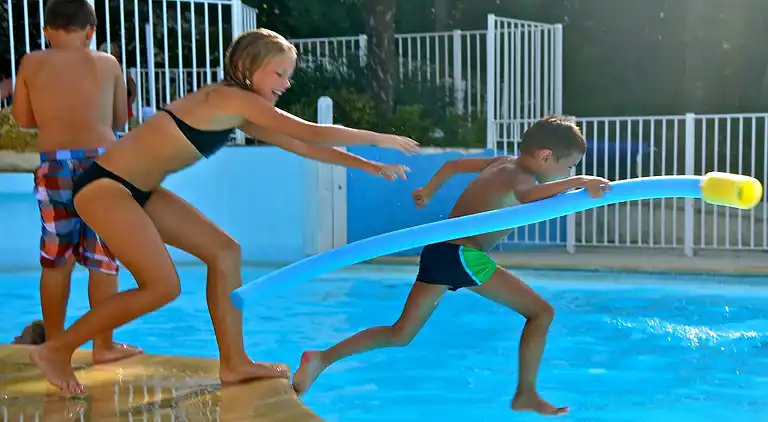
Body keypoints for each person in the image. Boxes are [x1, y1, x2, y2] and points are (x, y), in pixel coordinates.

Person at [29, 27, 420, 395]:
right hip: (106, 188)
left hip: (137, 190)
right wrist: (379, 138)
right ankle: (56, 349)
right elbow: (311, 132)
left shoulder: (241, 108)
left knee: (224, 252)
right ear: (248, 66)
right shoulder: (229, 98)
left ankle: (234, 363)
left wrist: (371, 167)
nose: (286, 84)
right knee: (162, 287)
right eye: (279, 73)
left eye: (288, 76)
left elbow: (302, 146)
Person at [293, 116, 611, 416]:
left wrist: (429, 190)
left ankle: (321, 358)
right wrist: (582, 182)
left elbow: (453, 165)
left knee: (400, 333)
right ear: (545, 156)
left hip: (440, 250)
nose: (566, 174)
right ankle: (525, 393)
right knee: (541, 313)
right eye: (568, 167)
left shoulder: (502, 163)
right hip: (463, 254)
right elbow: (529, 196)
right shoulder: (521, 177)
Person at [11, 0, 142, 365]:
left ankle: (55, 346)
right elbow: (119, 119)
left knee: (56, 260)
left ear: (46, 32)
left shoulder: (32, 62)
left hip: (55, 165)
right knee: (103, 258)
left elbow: (23, 119)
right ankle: (103, 346)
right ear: (91, 31)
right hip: (103, 164)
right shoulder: (108, 63)